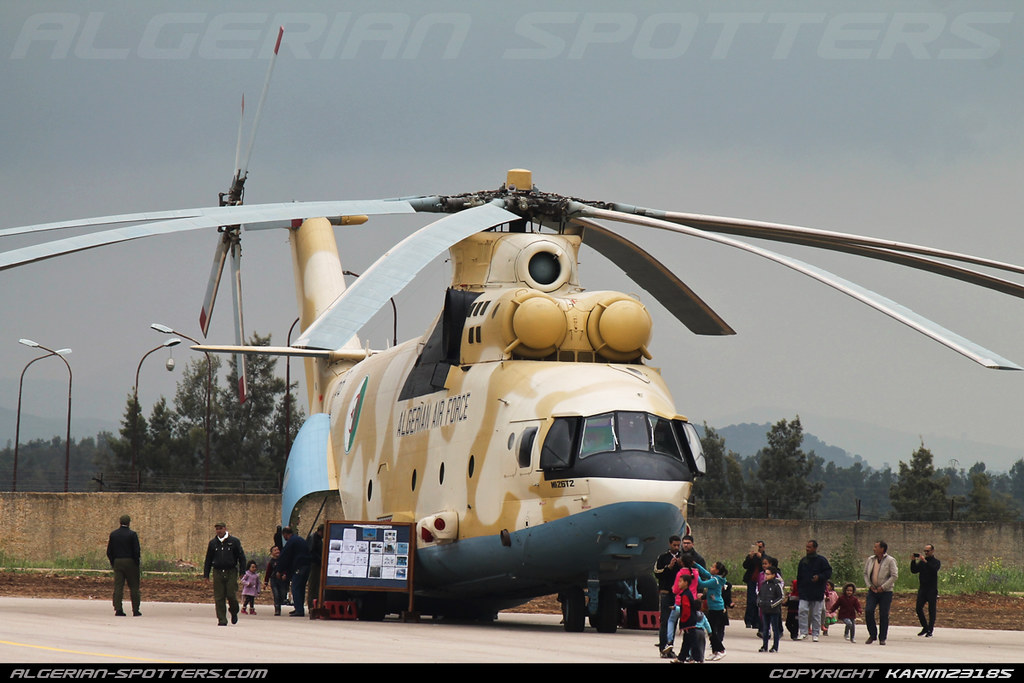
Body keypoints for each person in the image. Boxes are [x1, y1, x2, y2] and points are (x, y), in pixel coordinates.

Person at [203, 522, 246, 626]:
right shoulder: (213, 543)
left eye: (221, 528)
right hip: (218, 572)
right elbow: (208, 559)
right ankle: (222, 619)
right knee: (219, 597)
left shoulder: (234, 541)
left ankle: (234, 611)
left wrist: (242, 572)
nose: (219, 531)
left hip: (231, 571)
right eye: (217, 529)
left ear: (225, 529)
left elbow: (241, 557)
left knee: (231, 594)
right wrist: (206, 575)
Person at [796, 539, 832, 641]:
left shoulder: (822, 561)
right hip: (805, 592)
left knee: (816, 614)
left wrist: (819, 577)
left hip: (817, 592)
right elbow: (799, 577)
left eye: (809, 547)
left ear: (815, 548)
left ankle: (816, 633)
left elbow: (828, 573)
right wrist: (799, 589)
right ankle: (803, 632)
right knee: (802, 611)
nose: (807, 549)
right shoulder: (803, 561)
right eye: (806, 547)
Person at [863, 540, 898, 645]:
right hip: (873, 591)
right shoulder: (871, 559)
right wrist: (869, 585)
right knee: (869, 611)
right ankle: (872, 634)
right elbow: (865, 573)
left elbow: (894, 575)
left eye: (876, 547)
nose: (874, 549)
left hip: (885, 592)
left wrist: (883, 587)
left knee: (883, 614)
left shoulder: (890, 560)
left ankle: (882, 637)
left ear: (882, 549)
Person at [106, 514, 141, 617]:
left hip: (117, 561)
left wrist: (113, 562)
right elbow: (136, 551)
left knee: (118, 587)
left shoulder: (113, 534)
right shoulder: (132, 534)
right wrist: (136, 562)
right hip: (130, 561)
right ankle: (135, 609)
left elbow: (109, 551)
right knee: (134, 587)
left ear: (120, 522)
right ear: (129, 522)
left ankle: (118, 609)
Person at [654, 535, 683, 657]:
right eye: (674, 545)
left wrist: (681, 565)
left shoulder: (682, 557)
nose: (676, 548)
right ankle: (663, 648)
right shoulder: (663, 557)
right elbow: (657, 573)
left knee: (674, 622)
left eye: (678, 545)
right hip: (666, 593)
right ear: (669, 544)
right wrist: (668, 567)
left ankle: (670, 647)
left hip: (678, 595)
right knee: (665, 621)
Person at [695, 561, 728, 660]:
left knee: (712, 631)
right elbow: (705, 572)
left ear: (717, 570)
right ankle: (715, 651)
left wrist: (695, 573)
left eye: (713, 567)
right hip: (713, 608)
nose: (711, 568)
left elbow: (701, 584)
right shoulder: (715, 578)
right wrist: (696, 565)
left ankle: (721, 650)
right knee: (711, 630)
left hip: (717, 609)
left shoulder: (715, 581)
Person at [277, 526, 311, 617]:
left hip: (300, 567)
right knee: (301, 588)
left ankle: (299, 610)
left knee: (295, 587)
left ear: (285, 534)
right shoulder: (299, 540)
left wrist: (279, 570)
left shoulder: (291, 541)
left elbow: (285, 556)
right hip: (307, 566)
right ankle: (299, 608)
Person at [911, 543, 941, 637]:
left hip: (932, 589)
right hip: (923, 589)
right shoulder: (922, 562)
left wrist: (925, 562)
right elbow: (914, 570)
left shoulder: (936, 562)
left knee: (931, 610)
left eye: (928, 551)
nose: (926, 553)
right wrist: (913, 561)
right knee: (918, 608)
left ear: (932, 551)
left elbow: (933, 570)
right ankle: (925, 627)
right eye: (925, 551)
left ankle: (930, 630)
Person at [756, 565, 784, 653]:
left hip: (774, 611)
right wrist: (759, 602)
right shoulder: (764, 584)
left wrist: (772, 605)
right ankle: (764, 646)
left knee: (775, 629)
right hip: (765, 610)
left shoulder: (777, 585)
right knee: (765, 628)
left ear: (773, 575)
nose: (766, 576)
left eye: (768, 574)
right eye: (765, 574)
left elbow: (781, 597)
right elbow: (759, 595)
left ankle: (775, 647)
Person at [741, 540, 765, 630]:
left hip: (761, 581)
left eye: (760, 547)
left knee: (758, 602)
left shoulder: (765, 558)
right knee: (751, 601)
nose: (758, 549)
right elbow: (745, 566)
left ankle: (757, 621)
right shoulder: (751, 557)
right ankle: (748, 620)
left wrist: (761, 558)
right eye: (756, 547)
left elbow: (766, 566)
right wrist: (750, 557)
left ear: (763, 548)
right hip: (752, 580)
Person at [264, 545, 287, 616]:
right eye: (275, 550)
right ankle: (277, 609)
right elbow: (268, 572)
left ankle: (280, 602)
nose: (277, 551)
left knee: (283, 594)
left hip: (281, 580)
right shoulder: (271, 562)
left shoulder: (283, 560)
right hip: (274, 580)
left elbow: (286, 568)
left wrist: (285, 574)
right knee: (276, 594)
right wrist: (266, 582)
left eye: (278, 550)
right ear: (272, 553)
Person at [306, 524, 324, 615]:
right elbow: (311, 552)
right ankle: (311, 606)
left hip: (318, 564)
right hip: (314, 564)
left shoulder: (318, 539)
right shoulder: (314, 539)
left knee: (317, 586)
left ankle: (315, 604)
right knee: (313, 586)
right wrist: (320, 560)